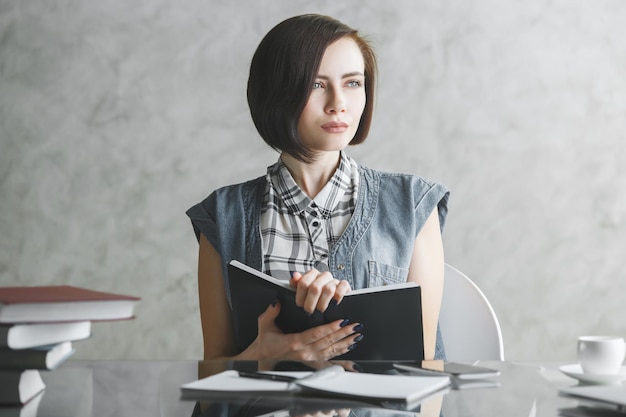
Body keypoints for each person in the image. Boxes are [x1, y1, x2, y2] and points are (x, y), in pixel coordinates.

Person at [186, 14, 449, 362]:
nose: (338, 102)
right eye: (316, 84)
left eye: (353, 83)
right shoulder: (223, 215)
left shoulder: (412, 204)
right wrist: (258, 359)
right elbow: (211, 374)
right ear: (276, 93)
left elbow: (427, 368)